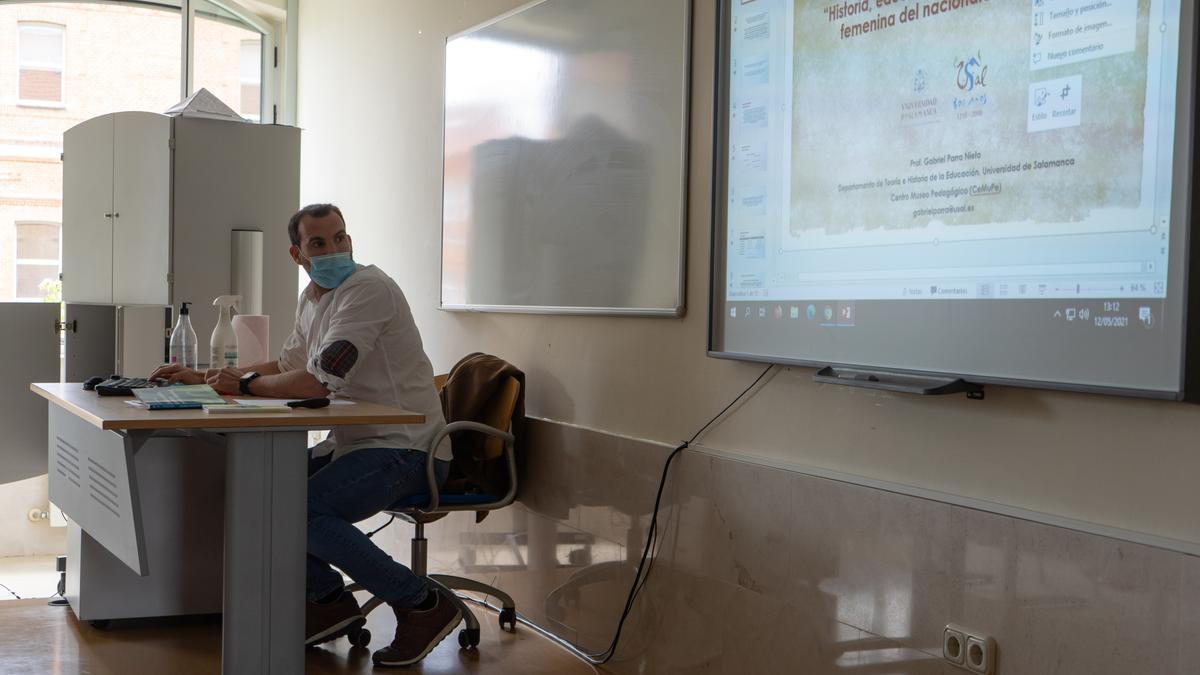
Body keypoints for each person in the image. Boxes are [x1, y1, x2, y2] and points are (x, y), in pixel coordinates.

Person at [151, 203, 459, 667]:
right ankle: (328, 601)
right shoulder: (315, 296)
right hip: (355, 444)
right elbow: (290, 366)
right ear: (298, 254)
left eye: (341, 238)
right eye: (320, 243)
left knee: (299, 510)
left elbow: (316, 382)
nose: (335, 249)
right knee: (255, 492)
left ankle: (422, 605)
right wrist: (206, 376)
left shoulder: (368, 290)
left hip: (408, 449)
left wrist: (246, 385)